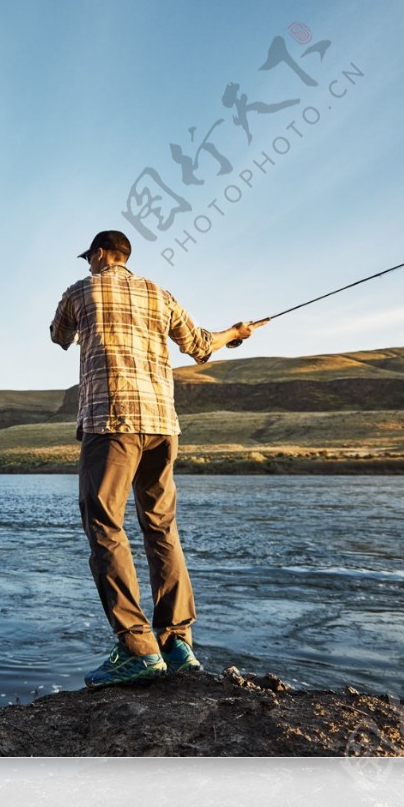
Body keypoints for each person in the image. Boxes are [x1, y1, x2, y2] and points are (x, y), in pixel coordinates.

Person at [50, 229, 264, 688]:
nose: (89, 262)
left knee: (106, 527)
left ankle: (137, 648)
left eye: (91, 256)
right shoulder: (159, 293)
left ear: (104, 254)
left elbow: (58, 336)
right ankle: (176, 641)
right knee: (161, 527)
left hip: (110, 422)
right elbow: (202, 345)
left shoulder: (79, 291)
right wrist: (237, 333)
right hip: (163, 427)